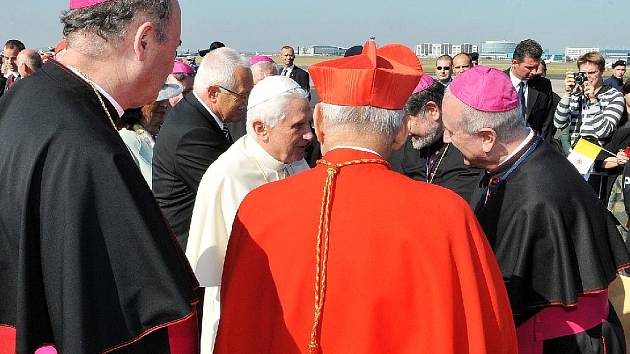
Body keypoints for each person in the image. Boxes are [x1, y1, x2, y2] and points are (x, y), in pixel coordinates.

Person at [214, 41, 518, 354]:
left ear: (318, 122)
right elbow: (484, 336)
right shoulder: (447, 214)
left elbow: (238, 331)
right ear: (401, 131)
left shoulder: (259, 209)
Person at [0, 0, 200, 353]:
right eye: (175, 47)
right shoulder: (90, 150)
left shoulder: (22, 99)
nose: (173, 64)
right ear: (144, 40)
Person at [442, 65, 630, 354]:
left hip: (561, 344)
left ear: (488, 138)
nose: (446, 139)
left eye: (452, 131)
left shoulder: (536, 198)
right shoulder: (513, 162)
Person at [186, 76, 312, 353]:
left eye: (308, 123)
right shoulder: (228, 176)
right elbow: (224, 274)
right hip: (245, 315)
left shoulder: (296, 161)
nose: (309, 135)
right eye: (298, 126)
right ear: (260, 128)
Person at [153, 47, 253, 250]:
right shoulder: (192, 133)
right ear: (214, 93)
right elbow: (231, 193)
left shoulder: (196, 112)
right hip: (189, 252)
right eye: (242, 96)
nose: (245, 103)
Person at [399, 81, 483, 205]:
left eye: (407, 121)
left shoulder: (467, 148)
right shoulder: (413, 142)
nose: (406, 131)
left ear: (432, 110)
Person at [554, 51, 625, 148]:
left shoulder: (614, 96)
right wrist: (567, 93)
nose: (587, 77)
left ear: (602, 71)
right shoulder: (575, 95)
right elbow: (558, 123)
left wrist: (593, 100)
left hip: (595, 153)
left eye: (592, 72)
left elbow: (604, 132)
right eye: (583, 73)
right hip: (572, 152)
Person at [119, 83, 182, 188]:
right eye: (157, 99)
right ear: (139, 105)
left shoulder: (164, 135)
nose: (164, 105)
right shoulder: (128, 138)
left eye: (166, 99)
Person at [506, 39, 557, 142]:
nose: (534, 72)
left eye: (536, 67)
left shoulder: (543, 86)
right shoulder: (497, 82)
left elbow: (546, 124)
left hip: (533, 149)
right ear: (514, 63)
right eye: (529, 67)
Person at [228, 55, 278, 141]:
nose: (266, 89)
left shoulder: (284, 106)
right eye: (259, 83)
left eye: (270, 83)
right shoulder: (235, 109)